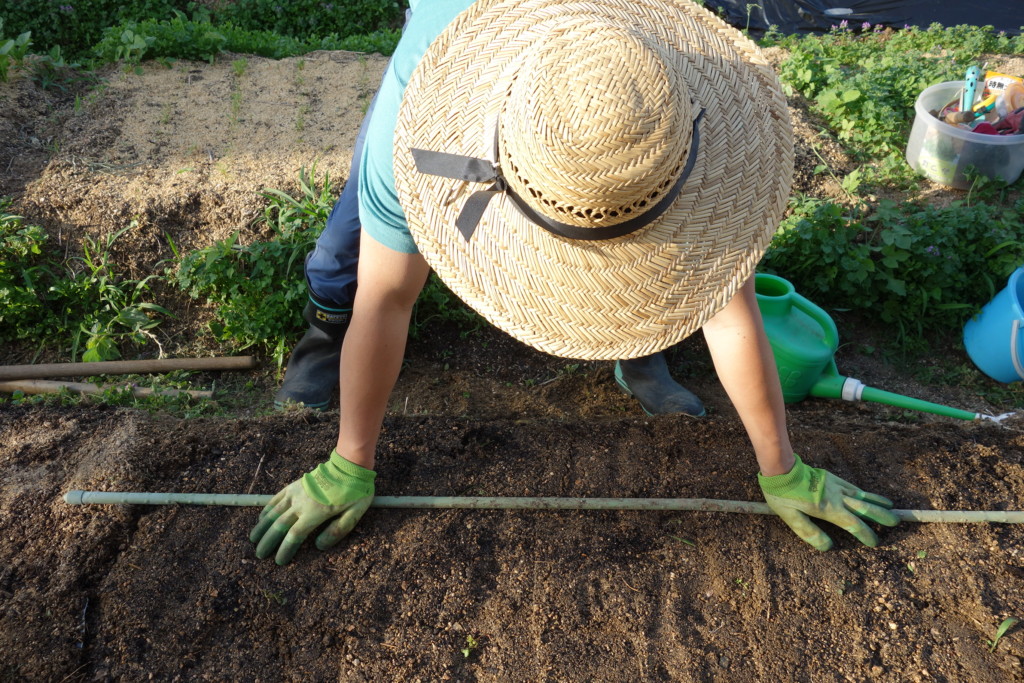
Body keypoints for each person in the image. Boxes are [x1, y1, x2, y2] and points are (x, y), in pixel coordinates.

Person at [250, 0, 901, 565]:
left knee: (656, 252)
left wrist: (783, 467)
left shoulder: (664, 96)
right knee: (345, 258)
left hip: (612, 71)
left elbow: (731, 312)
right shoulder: (420, 137)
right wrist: (349, 459)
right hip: (455, 53)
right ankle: (320, 335)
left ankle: (640, 339)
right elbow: (387, 297)